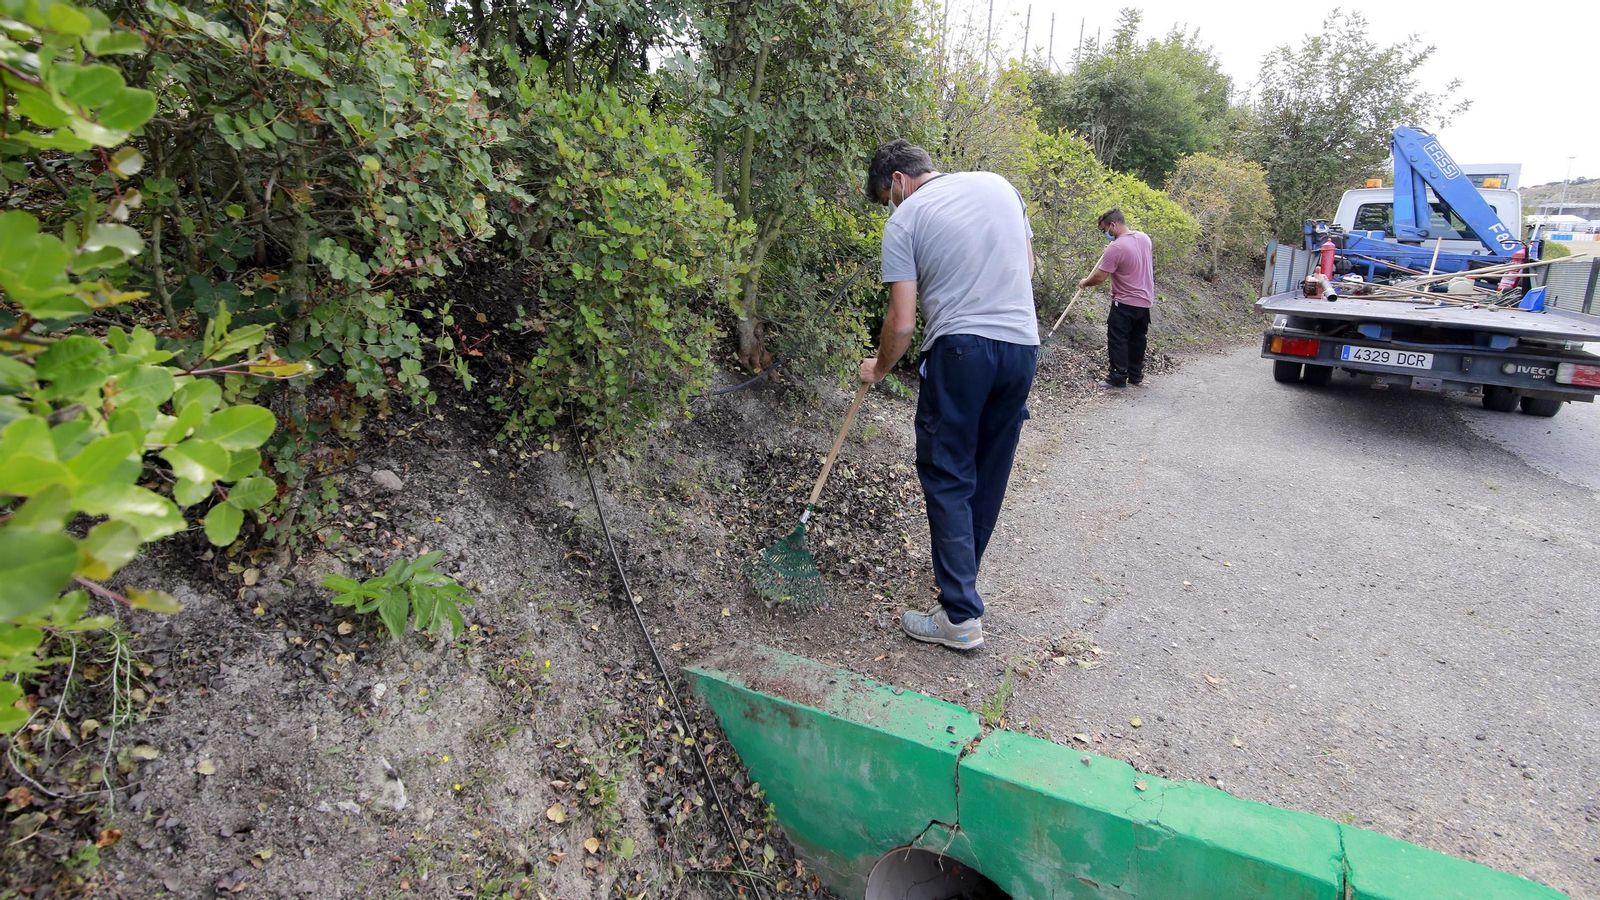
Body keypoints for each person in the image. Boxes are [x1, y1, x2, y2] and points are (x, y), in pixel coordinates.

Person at [858, 139, 1038, 652]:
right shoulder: (999, 186)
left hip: (962, 350)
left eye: (887, 197)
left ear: (897, 181)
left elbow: (902, 323)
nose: (891, 207)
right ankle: (959, 587)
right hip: (1022, 345)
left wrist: (879, 367)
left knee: (947, 471)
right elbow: (1025, 267)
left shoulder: (907, 218)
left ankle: (959, 616)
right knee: (986, 471)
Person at [1079, 208, 1155, 388]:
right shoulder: (1144, 238)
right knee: (1138, 339)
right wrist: (1112, 251)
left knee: (1118, 339)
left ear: (1113, 225)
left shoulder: (1116, 247)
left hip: (1125, 302)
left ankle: (1118, 377)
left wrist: (1085, 283)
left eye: (1105, 230)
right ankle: (1135, 375)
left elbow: (1099, 277)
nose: (1105, 233)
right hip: (1144, 302)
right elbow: (1131, 255)